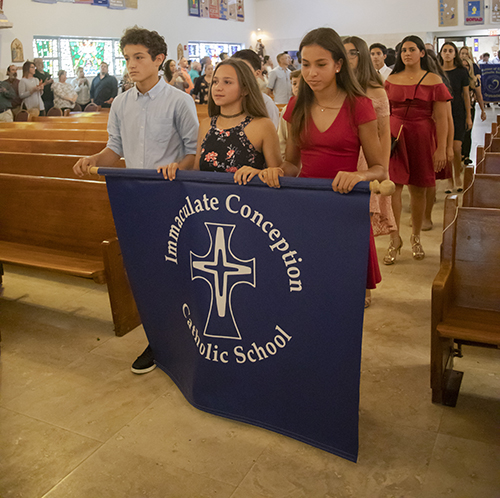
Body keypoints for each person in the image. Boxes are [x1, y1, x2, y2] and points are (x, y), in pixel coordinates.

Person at [73, 26, 199, 375]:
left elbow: (193, 154)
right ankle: (158, 340)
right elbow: (116, 148)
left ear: (159, 60)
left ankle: (190, 335)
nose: (131, 64)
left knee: (176, 270)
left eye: (139, 57)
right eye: (127, 58)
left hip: (171, 197)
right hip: (135, 199)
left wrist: (178, 167)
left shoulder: (179, 100)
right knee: (145, 272)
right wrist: (93, 160)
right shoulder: (122, 103)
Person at [259, 27, 386, 301]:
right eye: (305, 64)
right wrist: (276, 171)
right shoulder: (297, 105)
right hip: (308, 204)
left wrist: (358, 175)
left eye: (321, 64)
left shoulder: (359, 105)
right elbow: (292, 163)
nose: (311, 73)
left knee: (345, 293)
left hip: (346, 203)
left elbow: (379, 168)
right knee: (310, 287)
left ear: (338, 65)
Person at [159, 58, 282, 185]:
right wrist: (177, 170)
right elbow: (197, 172)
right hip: (208, 202)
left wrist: (259, 173)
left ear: (245, 89)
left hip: (245, 202)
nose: (218, 87)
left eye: (227, 82)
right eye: (215, 82)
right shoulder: (206, 125)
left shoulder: (262, 126)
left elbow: (276, 174)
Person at [384, 35, 450, 264]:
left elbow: (442, 119)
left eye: (412, 49)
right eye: (403, 50)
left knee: (419, 189)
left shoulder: (434, 80)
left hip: (422, 136)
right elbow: (384, 112)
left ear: (422, 53)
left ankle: (415, 236)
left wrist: (442, 148)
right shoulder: (391, 79)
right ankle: (395, 238)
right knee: (392, 188)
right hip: (395, 136)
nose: (407, 53)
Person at [439, 42, 472, 192]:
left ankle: (458, 174)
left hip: (458, 111)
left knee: (457, 148)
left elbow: (466, 95)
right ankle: (449, 180)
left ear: (454, 54)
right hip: (441, 113)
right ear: (440, 53)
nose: (447, 53)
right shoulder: (436, 72)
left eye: (450, 51)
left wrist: (469, 116)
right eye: (444, 50)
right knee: (446, 148)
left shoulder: (461, 72)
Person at [232, 49, 280, 128]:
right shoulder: (226, 98)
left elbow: (271, 132)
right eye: (234, 69)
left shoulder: (265, 102)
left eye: (244, 69)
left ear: (257, 73)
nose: (238, 74)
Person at [461, 56, 486, 166]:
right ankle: (459, 153)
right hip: (457, 108)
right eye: (463, 66)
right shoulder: (458, 78)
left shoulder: (474, 80)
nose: (465, 68)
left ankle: (466, 154)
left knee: (467, 132)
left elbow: (479, 96)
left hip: (470, 108)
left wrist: (483, 110)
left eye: (467, 66)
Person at [277, 69, 301, 158]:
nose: (297, 86)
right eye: (294, 84)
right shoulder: (287, 109)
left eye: (302, 83)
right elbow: (281, 139)